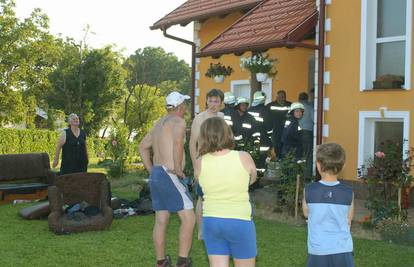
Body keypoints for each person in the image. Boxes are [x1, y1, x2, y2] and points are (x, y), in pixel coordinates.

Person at [139, 91, 195, 267]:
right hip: (170, 174)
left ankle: (161, 262)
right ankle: (183, 263)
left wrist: (152, 171)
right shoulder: (178, 121)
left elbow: (142, 147)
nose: (185, 107)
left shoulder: (158, 124)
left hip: (157, 174)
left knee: (161, 220)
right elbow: (178, 144)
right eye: (184, 104)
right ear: (180, 106)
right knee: (189, 218)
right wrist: (178, 169)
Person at [194, 117, 257, 267]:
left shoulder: (199, 162)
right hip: (239, 220)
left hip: (211, 221)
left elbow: (200, 186)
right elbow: (252, 179)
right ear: (227, 133)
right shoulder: (243, 157)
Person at [303, 143, 355, 267]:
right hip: (343, 250)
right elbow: (349, 219)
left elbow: (306, 213)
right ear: (343, 166)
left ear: (318, 166)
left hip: (318, 250)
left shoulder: (309, 190)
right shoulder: (348, 192)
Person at [189, 88, 224, 240]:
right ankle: (201, 231)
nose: (213, 104)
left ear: (221, 103)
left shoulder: (222, 117)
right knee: (202, 197)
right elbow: (192, 143)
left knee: (218, 195)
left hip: (219, 162)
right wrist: (195, 165)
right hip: (203, 162)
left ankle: (216, 228)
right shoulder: (200, 118)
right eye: (210, 100)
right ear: (206, 101)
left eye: (216, 101)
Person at [248, 91, 273, 175]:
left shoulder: (249, 109)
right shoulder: (266, 110)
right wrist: (271, 140)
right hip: (263, 139)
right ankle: (259, 178)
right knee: (262, 160)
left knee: (252, 158)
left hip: (251, 139)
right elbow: (269, 127)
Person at [266, 90, 292, 158]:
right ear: (277, 97)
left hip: (286, 129)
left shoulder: (290, 105)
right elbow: (267, 117)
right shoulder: (270, 105)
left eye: (283, 96)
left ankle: (284, 160)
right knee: (276, 145)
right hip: (275, 129)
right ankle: (278, 158)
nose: (282, 98)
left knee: (286, 145)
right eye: (280, 96)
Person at [298, 92, 314, 179]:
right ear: (307, 99)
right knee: (308, 155)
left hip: (297, 133)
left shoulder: (296, 108)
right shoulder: (309, 107)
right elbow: (315, 119)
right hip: (307, 132)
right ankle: (307, 175)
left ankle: (297, 175)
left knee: (298, 154)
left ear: (299, 99)